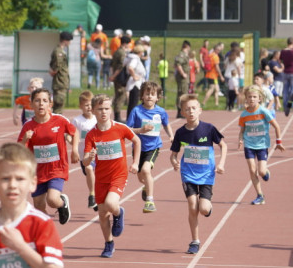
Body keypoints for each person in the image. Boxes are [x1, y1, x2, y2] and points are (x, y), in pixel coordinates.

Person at [82, 94, 140, 258]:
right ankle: (109, 243)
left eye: (107, 109)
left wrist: (135, 163)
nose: (103, 112)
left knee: (110, 203)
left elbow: (136, 141)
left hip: (118, 175)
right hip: (101, 178)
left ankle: (118, 213)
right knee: (102, 214)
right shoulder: (91, 135)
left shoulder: (120, 128)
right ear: (93, 111)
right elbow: (85, 162)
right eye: (100, 109)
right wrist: (90, 157)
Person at [170, 94, 227, 255]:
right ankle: (195, 241)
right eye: (187, 109)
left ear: (200, 110)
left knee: (203, 208)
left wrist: (221, 163)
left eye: (194, 108)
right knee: (192, 206)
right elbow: (173, 154)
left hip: (207, 175)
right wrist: (174, 161)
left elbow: (223, 145)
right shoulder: (181, 133)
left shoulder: (208, 128)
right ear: (182, 112)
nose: (191, 111)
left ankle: (207, 208)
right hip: (188, 174)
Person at [18, 88, 78, 224]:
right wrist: (24, 140)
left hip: (57, 168)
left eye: (45, 101)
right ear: (31, 105)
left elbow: (75, 133)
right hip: (37, 171)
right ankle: (47, 229)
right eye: (37, 101)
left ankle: (62, 204)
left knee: (52, 199)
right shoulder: (28, 126)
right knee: (39, 207)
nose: (41, 104)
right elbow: (20, 151)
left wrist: (74, 150)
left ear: (50, 104)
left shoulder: (59, 120)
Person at [126, 81, 174, 214]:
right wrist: (141, 130)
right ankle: (146, 186)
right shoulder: (136, 111)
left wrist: (171, 136)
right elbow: (127, 130)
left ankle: (150, 201)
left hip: (153, 147)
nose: (149, 97)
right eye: (147, 94)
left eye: (152, 94)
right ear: (142, 96)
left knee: (146, 170)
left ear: (157, 97)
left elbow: (166, 124)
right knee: (141, 176)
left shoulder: (161, 112)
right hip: (138, 148)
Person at [237, 85, 284, 206]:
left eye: (254, 97)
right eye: (249, 97)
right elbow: (242, 131)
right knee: (252, 170)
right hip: (249, 145)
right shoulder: (243, 115)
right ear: (246, 99)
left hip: (262, 145)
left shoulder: (264, 111)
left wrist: (279, 142)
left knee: (261, 171)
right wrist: (240, 140)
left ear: (259, 99)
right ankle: (260, 195)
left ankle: (266, 173)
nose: (252, 99)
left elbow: (276, 126)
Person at [71, 90, 97, 210]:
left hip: (98, 154)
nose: (89, 107)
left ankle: (93, 196)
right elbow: (72, 135)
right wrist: (74, 148)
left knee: (92, 170)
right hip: (83, 155)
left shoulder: (97, 119)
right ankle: (94, 195)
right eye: (86, 105)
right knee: (88, 170)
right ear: (80, 106)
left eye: (91, 104)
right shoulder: (77, 121)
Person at [49, 31, 72, 113]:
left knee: (59, 105)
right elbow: (57, 66)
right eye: (69, 41)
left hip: (62, 81)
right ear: (65, 40)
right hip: (60, 81)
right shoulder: (59, 52)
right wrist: (54, 72)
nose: (70, 43)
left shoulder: (60, 51)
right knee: (58, 105)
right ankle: (56, 123)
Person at [173, 41, 191, 113]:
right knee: (183, 93)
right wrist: (183, 73)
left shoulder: (184, 55)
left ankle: (181, 110)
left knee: (183, 93)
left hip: (184, 77)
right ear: (187, 47)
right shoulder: (182, 55)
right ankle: (181, 110)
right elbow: (178, 65)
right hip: (182, 77)